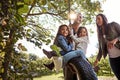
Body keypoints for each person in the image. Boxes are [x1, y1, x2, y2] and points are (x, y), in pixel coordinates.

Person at [94, 13, 120, 79]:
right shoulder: (100, 35)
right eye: (96, 20)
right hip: (112, 59)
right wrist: (97, 59)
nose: (97, 21)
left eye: (98, 18)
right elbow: (100, 49)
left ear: (103, 18)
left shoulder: (113, 25)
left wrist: (115, 40)